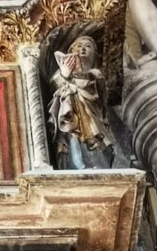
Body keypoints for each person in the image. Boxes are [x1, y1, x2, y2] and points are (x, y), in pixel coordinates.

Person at [48, 36, 114, 169]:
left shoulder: (95, 74)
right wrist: (64, 75)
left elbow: (102, 97)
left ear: (94, 54)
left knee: (95, 137)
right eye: (79, 46)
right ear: (72, 50)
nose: (83, 49)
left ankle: (97, 164)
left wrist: (104, 117)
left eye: (88, 46)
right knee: (72, 134)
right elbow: (54, 84)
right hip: (71, 116)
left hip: (91, 115)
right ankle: (77, 165)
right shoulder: (62, 71)